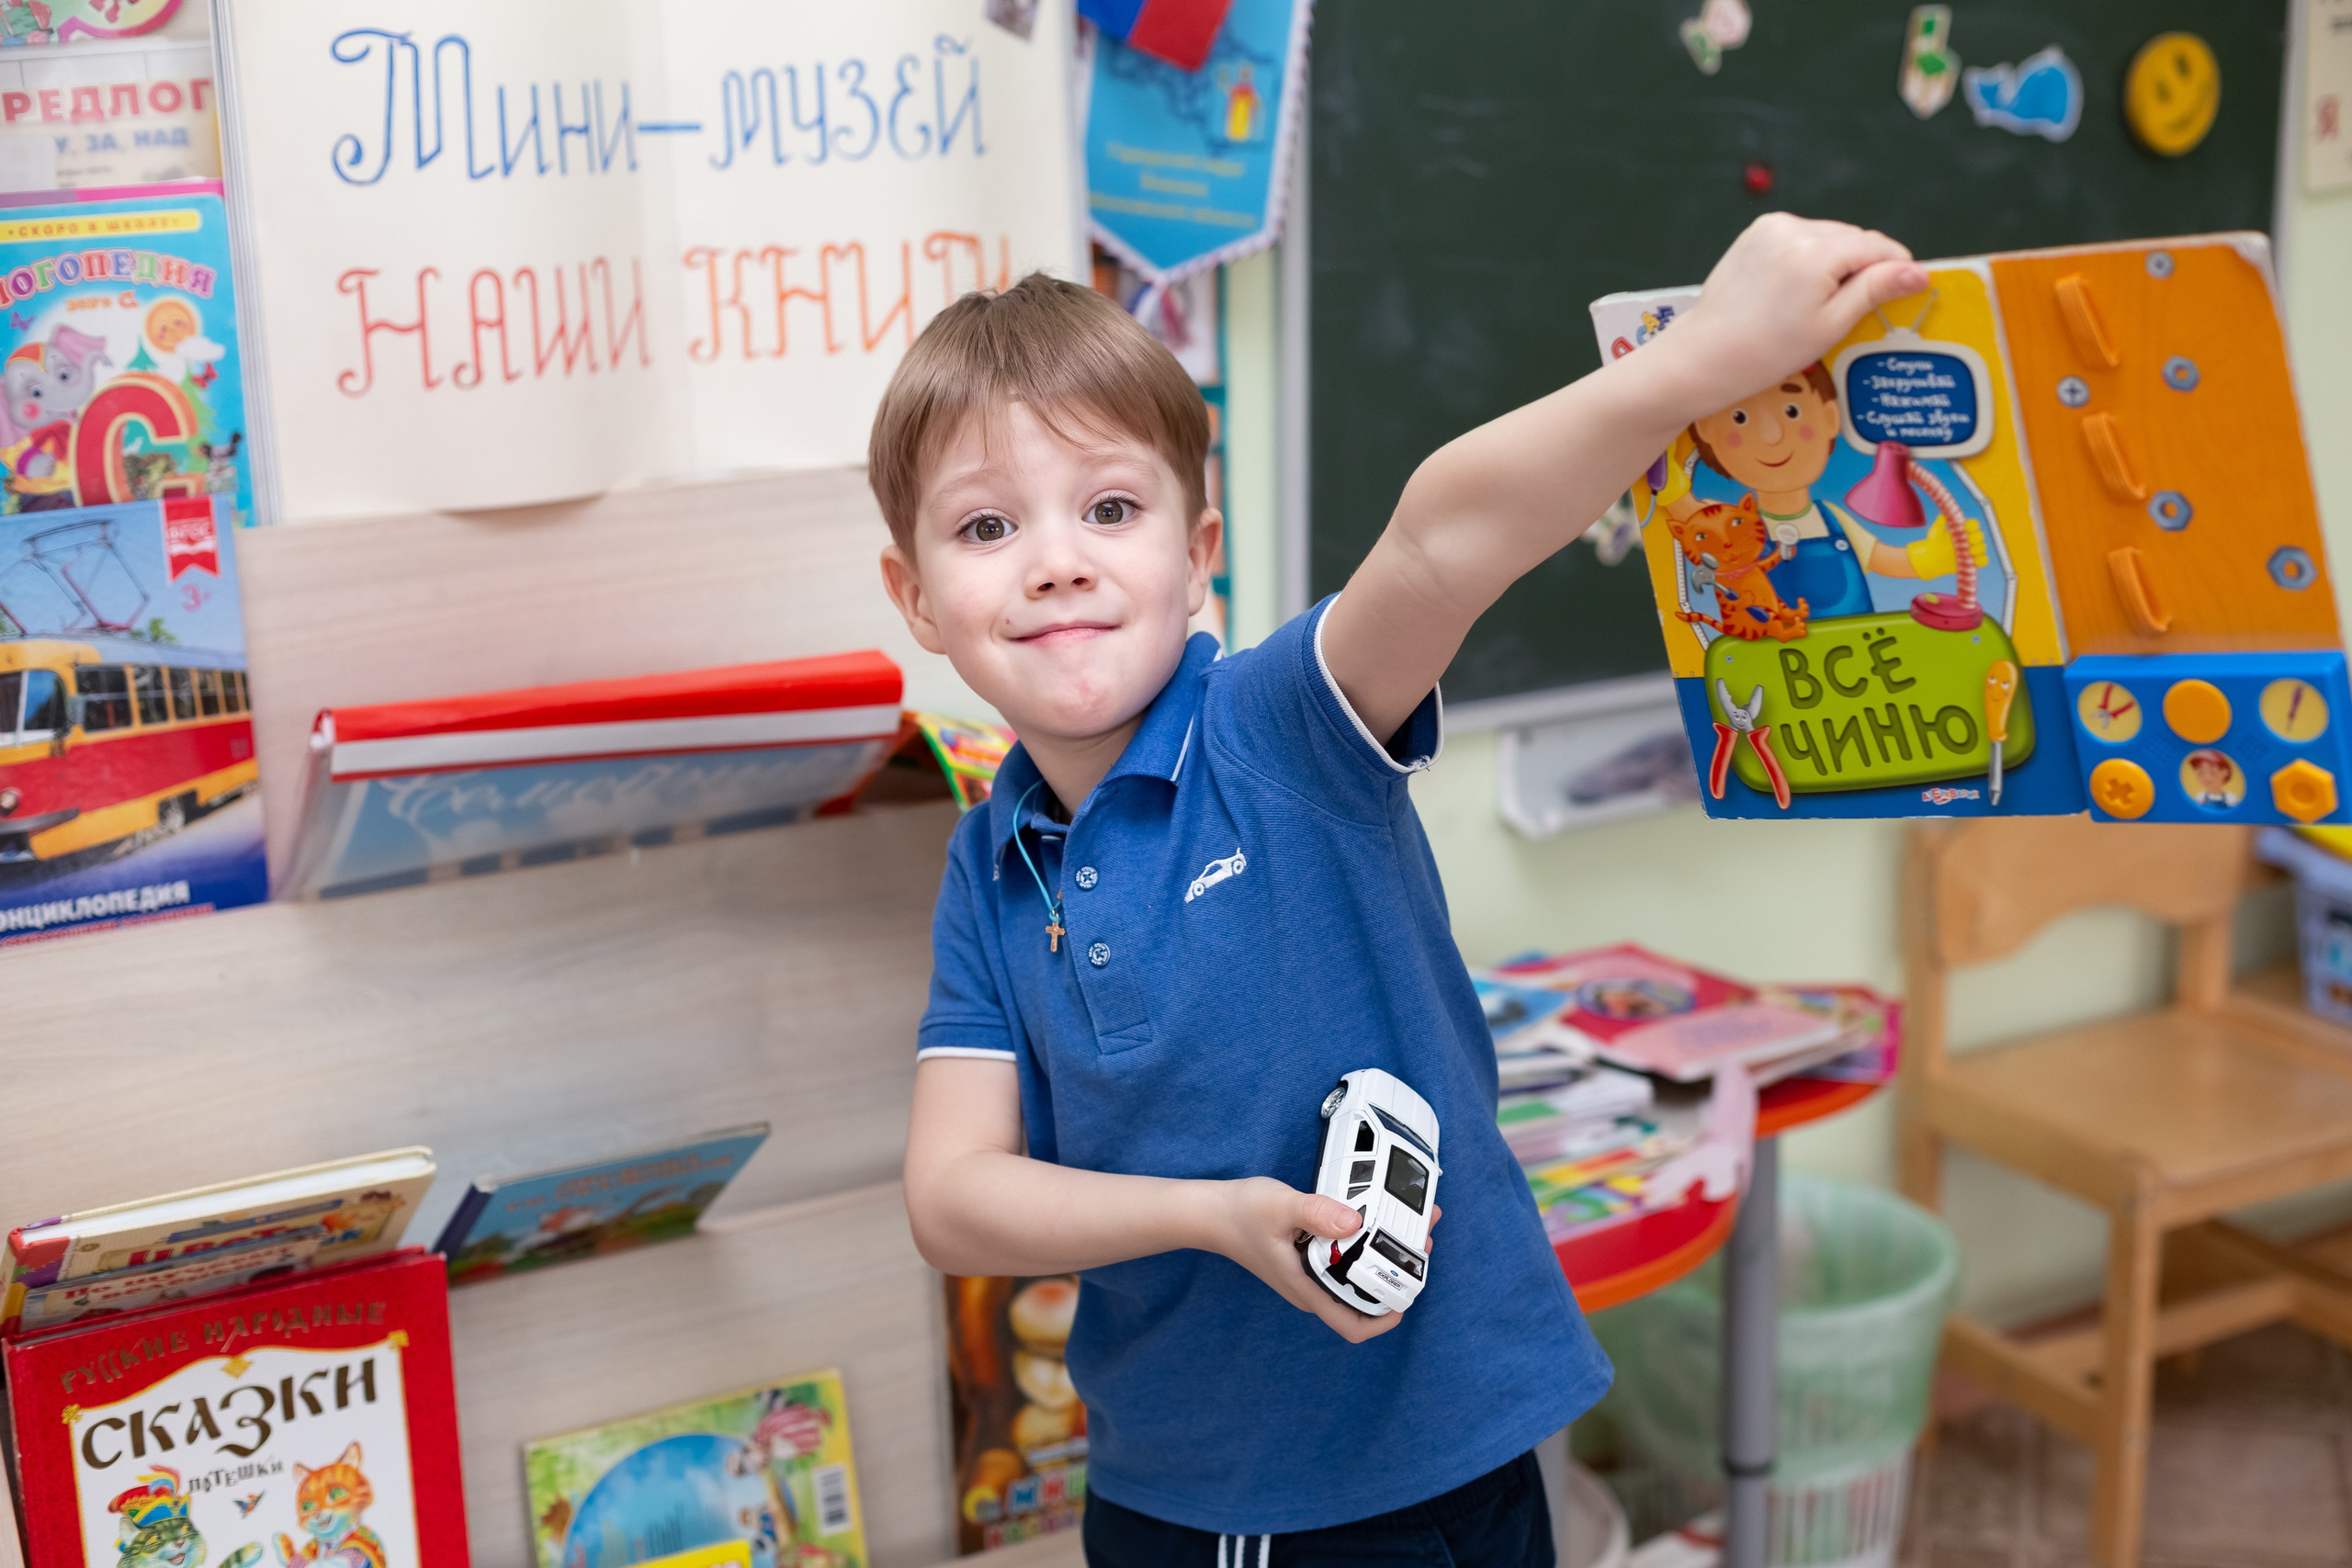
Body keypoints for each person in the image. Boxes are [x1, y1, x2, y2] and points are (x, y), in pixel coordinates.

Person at [876, 214, 1927, 1565]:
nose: (1057, 559)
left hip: (1434, 1455)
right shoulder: (991, 854)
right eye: (985, 525)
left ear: (1201, 553)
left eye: (1111, 508)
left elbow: (1440, 539)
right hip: (1173, 1487)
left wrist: (1706, 360)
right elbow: (952, 1194)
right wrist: (1213, 1216)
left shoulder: (1276, 725)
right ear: (917, 594)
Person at [1670, 362, 1975, 619]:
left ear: (1830, 418)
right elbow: (1678, 502)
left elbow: (1884, 558)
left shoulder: (1833, 520)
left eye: (1792, 411)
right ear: (1708, 429)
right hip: (1771, 664)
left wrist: (1932, 557)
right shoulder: (1727, 522)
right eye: (1740, 417)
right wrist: (1666, 437)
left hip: (1864, 657)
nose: (1771, 435)